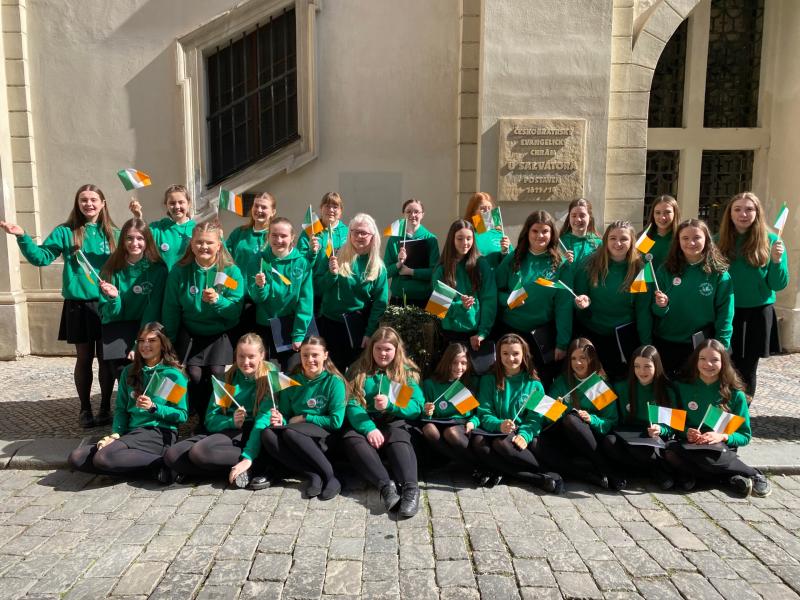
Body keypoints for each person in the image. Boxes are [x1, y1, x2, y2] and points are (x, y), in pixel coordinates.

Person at [1, 184, 118, 428]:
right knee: (84, 358)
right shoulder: (66, 232)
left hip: (107, 304)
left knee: (107, 359)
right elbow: (41, 258)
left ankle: (106, 407)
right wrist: (23, 236)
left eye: (93, 199)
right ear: (78, 203)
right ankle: (85, 409)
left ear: (103, 203)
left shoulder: (112, 233)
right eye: (83, 200)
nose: (89, 204)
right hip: (78, 303)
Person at [67, 322, 188, 482]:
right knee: (77, 457)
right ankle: (152, 470)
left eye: (152, 341)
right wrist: (116, 433)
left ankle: (165, 464)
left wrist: (154, 408)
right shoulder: (128, 372)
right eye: (141, 340)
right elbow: (121, 410)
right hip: (132, 432)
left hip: (158, 432)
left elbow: (181, 415)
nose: (146, 345)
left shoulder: (172, 376)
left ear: (163, 344)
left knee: (103, 458)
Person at [231, 336, 347, 499]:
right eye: (305, 355)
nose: (310, 360)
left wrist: (305, 417)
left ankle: (331, 476)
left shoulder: (334, 382)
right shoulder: (292, 381)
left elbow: (336, 422)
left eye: (315, 355)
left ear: (325, 355)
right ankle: (313, 474)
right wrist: (281, 420)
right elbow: (285, 413)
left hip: (324, 437)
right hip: (297, 435)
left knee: (291, 432)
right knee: (268, 433)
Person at [664, 339, 770, 497]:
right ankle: (728, 479)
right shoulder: (682, 387)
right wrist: (687, 432)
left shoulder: (735, 395)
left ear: (724, 363)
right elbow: (674, 425)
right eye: (703, 359)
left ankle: (753, 473)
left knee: (706, 459)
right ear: (695, 361)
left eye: (715, 360)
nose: (708, 364)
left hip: (719, 448)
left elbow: (744, 436)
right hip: (690, 445)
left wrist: (721, 436)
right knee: (670, 452)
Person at [161, 221, 244, 422]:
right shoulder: (180, 272)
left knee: (217, 374)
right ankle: (200, 418)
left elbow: (234, 310)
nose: (203, 247)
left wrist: (218, 301)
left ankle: (221, 416)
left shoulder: (230, 273)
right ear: (191, 244)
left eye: (209, 242)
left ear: (219, 245)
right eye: (199, 242)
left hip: (219, 331)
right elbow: (171, 308)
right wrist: (169, 342)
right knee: (195, 377)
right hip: (191, 331)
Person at [164, 333, 269, 484]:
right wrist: (231, 421)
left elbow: (263, 420)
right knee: (172, 454)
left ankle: (255, 463)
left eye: (251, 356)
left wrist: (248, 457)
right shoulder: (227, 380)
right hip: (228, 430)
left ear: (262, 355)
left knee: (200, 452)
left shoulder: (268, 379)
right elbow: (211, 420)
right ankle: (232, 471)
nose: (246, 362)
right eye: (241, 356)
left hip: (252, 433)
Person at [342, 327, 424, 517]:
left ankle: (411, 489)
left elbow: (416, 407)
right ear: (371, 348)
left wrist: (392, 405)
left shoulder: (406, 373)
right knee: (351, 438)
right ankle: (386, 488)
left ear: (396, 350)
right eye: (378, 349)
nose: (383, 354)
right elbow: (352, 403)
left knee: (399, 435)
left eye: (388, 349)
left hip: (394, 420)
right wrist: (368, 428)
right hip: (366, 420)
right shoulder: (358, 370)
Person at [716, 192, 789, 396]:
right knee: (722, 366)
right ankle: (722, 413)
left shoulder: (773, 241)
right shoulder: (716, 241)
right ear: (729, 213)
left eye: (749, 209)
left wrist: (776, 261)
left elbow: (778, 284)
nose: (743, 214)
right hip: (725, 312)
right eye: (737, 209)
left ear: (757, 213)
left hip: (756, 314)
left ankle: (741, 418)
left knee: (747, 370)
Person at [470, 334, 563, 492]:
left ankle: (537, 473)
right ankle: (537, 477)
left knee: (501, 444)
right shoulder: (488, 380)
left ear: (524, 355)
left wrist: (525, 435)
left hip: (520, 433)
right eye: (505, 353)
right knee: (480, 444)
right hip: (496, 430)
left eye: (515, 354)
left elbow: (535, 419)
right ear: (498, 355)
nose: (510, 358)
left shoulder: (534, 384)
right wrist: (499, 425)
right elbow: (484, 413)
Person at [494, 211, 572, 387]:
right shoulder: (512, 259)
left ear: (552, 234)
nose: (540, 236)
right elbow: (494, 292)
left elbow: (564, 306)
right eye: (535, 231)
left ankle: (534, 415)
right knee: (510, 380)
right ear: (527, 233)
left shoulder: (560, 265)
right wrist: (507, 300)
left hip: (542, 336)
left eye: (545, 231)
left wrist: (562, 342)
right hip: (512, 331)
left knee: (540, 382)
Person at [652, 219, 733, 378]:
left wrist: (721, 348)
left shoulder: (719, 274)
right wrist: (661, 306)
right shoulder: (665, 270)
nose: (691, 242)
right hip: (666, 342)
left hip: (699, 347)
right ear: (678, 241)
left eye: (697, 237)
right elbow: (656, 312)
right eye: (685, 238)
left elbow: (725, 315)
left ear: (707, 240)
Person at [539, 338, 624, 489]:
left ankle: (605, 469)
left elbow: (611, 421)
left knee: (573, 419)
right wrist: (556, 410)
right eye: (573, 359)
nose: (578, 363)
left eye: (582, 358)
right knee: (563, 424)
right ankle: (588, 475)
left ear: (591, 359)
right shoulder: (561, 382)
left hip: (592, 439)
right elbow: (545, 421)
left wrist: (591, 419)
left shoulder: (598, 384)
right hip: (565, 439)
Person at [573, 221, 652, 381]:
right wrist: (582, 306)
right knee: (595, 383)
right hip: (592, 334)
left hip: (624, 338)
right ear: (606, 241)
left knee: (621, 381)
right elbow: (579, 300)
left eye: (624, 239)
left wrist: (646, 346)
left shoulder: (640, 269)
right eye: (613, 238)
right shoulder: (589, 265)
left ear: (631, 242)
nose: (618, 243)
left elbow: (643, 311)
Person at [317, 213, 388, 371]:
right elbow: (318, 288)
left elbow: (380, 304)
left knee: (356, 374)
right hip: (330, 325)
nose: (359, 236)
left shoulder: (378, 267)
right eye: (355, 232)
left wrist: (369, 333)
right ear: (349, 234)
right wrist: (331, 275)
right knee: (332, 373)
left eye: (364, 233)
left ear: (372, 236)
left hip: (358, 328)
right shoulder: (334, 255)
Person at [98, 218, 168, 380]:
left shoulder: (158, 269)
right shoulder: (110, 269)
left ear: (147, 241)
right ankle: (126, 404)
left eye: (140, 238)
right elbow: (108, 314)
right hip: (118, 327)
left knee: (148, 373)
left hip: (146, 326)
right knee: (123, 373)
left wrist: (140, 343)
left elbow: (153, 308)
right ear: (122, 240)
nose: (134, 243)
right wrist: (114, 299)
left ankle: (146, 404)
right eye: (129, 238)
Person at [601, 345, 679, 489]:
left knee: (641, 450)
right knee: (609, 442)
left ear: (656, 366)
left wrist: (660, 429)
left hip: (652, 439)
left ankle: (653, 470)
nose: (641, 371)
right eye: (637, 366)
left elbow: (673, 427)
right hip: (628, 435)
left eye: (647, 366)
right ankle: (647, 470)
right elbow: (611, 414)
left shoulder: (667, 391)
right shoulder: (621, 386)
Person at [250, 217, 314, 369]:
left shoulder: (302, 263)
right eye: (274, 235)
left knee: (291, 372)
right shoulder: (259, 260)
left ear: (292, 237)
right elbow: (257, 298)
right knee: (266, 374)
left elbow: (305, 301)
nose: (279, 240)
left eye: (283, 236)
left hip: (291, 327)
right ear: (268, 236)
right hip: (265, 325)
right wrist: (260, 286)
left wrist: (298, 334)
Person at [431, 219, 496, 351]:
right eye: (460, 238)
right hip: (450, 334)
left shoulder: (481, 264)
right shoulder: (442, 269)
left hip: (476, 335)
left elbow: (489, 299)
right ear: (452, 239)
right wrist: (461, 306)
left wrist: (483, 333)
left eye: (469, 238)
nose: (465, 243)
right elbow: (438, 308)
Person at [225, 192, 277, 341]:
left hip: (263, 300)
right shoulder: (239, 233)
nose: (259, 210)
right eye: (256, 206)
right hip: (240, 297)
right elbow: (224, 258)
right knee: (241, 345)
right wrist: (219, 237)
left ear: (273, 212)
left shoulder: (275, 236)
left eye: (264, 207)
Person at [420, 343, 478, 468]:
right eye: (454, 362)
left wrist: (472, 422)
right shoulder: (430, 384)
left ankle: (476, 464)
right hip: (438, 424)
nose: (459, 367)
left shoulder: (470, 382)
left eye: (463, 363)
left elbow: (477, 414)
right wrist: (427, 410)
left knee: (450, 432)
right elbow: (424, 415)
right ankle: (468, 464)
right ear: (446, 362)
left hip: (460, 426)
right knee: (428, 429)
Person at [383, 198, 440, 308]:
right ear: (403, 214)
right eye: (408, 211)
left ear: (422, 214)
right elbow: (385, 272)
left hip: (423, 298)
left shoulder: (431, 239)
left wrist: (411, 272)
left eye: (416, 212)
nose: (412, 215)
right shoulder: (394, 239)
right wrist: (398, 264)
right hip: (399, 298)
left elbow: (435, 272)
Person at [298, 192, 349, 304]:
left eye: (335, 207)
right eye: (327, 206)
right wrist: (311, 252)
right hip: (313, 291)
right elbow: (299, 264)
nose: (331, 210)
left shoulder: (348, 232)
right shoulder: (310, 231)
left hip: (338, 292)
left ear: (340, 212)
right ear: (321, 208)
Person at [130, 184, 195, 270]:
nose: (177, 206)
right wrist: (138, 217)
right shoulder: (157, 228)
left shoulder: (196, 230)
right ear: (166, 205)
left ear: (188, 203)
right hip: (163, 281)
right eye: (172, 203)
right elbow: (139, 237)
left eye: (181, 202)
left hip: (186, 282)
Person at [462, 192, 512, 269]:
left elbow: (512, 262)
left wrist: (505, 251)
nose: (487, 212)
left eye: (489, 208)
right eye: (482, 209)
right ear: (473, 212)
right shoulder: (467, 233)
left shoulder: (500, 234)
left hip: (497, 279)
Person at [559, 198, 602, 265]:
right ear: (569, 217)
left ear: (590, 218)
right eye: (574, 215)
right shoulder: (560, 243)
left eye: (582, 216)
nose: (578, 219)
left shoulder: (598, 244)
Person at [643, 194, 680, 270]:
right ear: (653, 214)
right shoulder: (645, 238)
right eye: (658, 212)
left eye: (667, 212)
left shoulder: (681, 238)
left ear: (675, 213)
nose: (662, 217)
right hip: (647, 281)